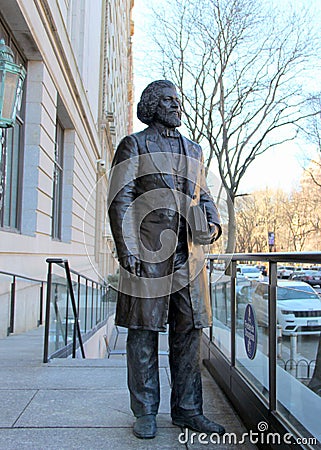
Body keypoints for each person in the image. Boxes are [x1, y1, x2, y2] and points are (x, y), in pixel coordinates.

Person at [107, 80, 225, 439]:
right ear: (154, 106)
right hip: (146, 252)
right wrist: (127, 249)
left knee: (189, 332)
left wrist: (215, 223)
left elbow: (202, 194)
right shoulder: (135, 144)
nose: (177, 106)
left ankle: (188, 410)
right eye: (170, 101)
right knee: (143, 334)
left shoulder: (194, 149)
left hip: (187, 257)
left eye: (179, 101)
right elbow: (120, 199)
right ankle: (144, 412)